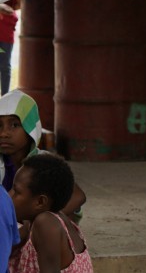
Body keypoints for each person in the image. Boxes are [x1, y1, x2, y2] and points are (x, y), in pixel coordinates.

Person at [0, 92, 85, 220]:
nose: (3, 133)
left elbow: (78, 197)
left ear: (30, 128)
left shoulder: (44, 162)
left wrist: (39, 221)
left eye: (14, 125)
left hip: (42, 225)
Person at [8, 153, 93, 273]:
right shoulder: (39, 220)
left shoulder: (45, 223)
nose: (9, 195)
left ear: (40, 202)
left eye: (16, 191)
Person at [0, 0, 21, 96]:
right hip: (6, 34)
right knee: (5, 67)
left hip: (6, 37)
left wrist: (4, 8)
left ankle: (5, 95)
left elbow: (19, 5)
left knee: (5, 67)